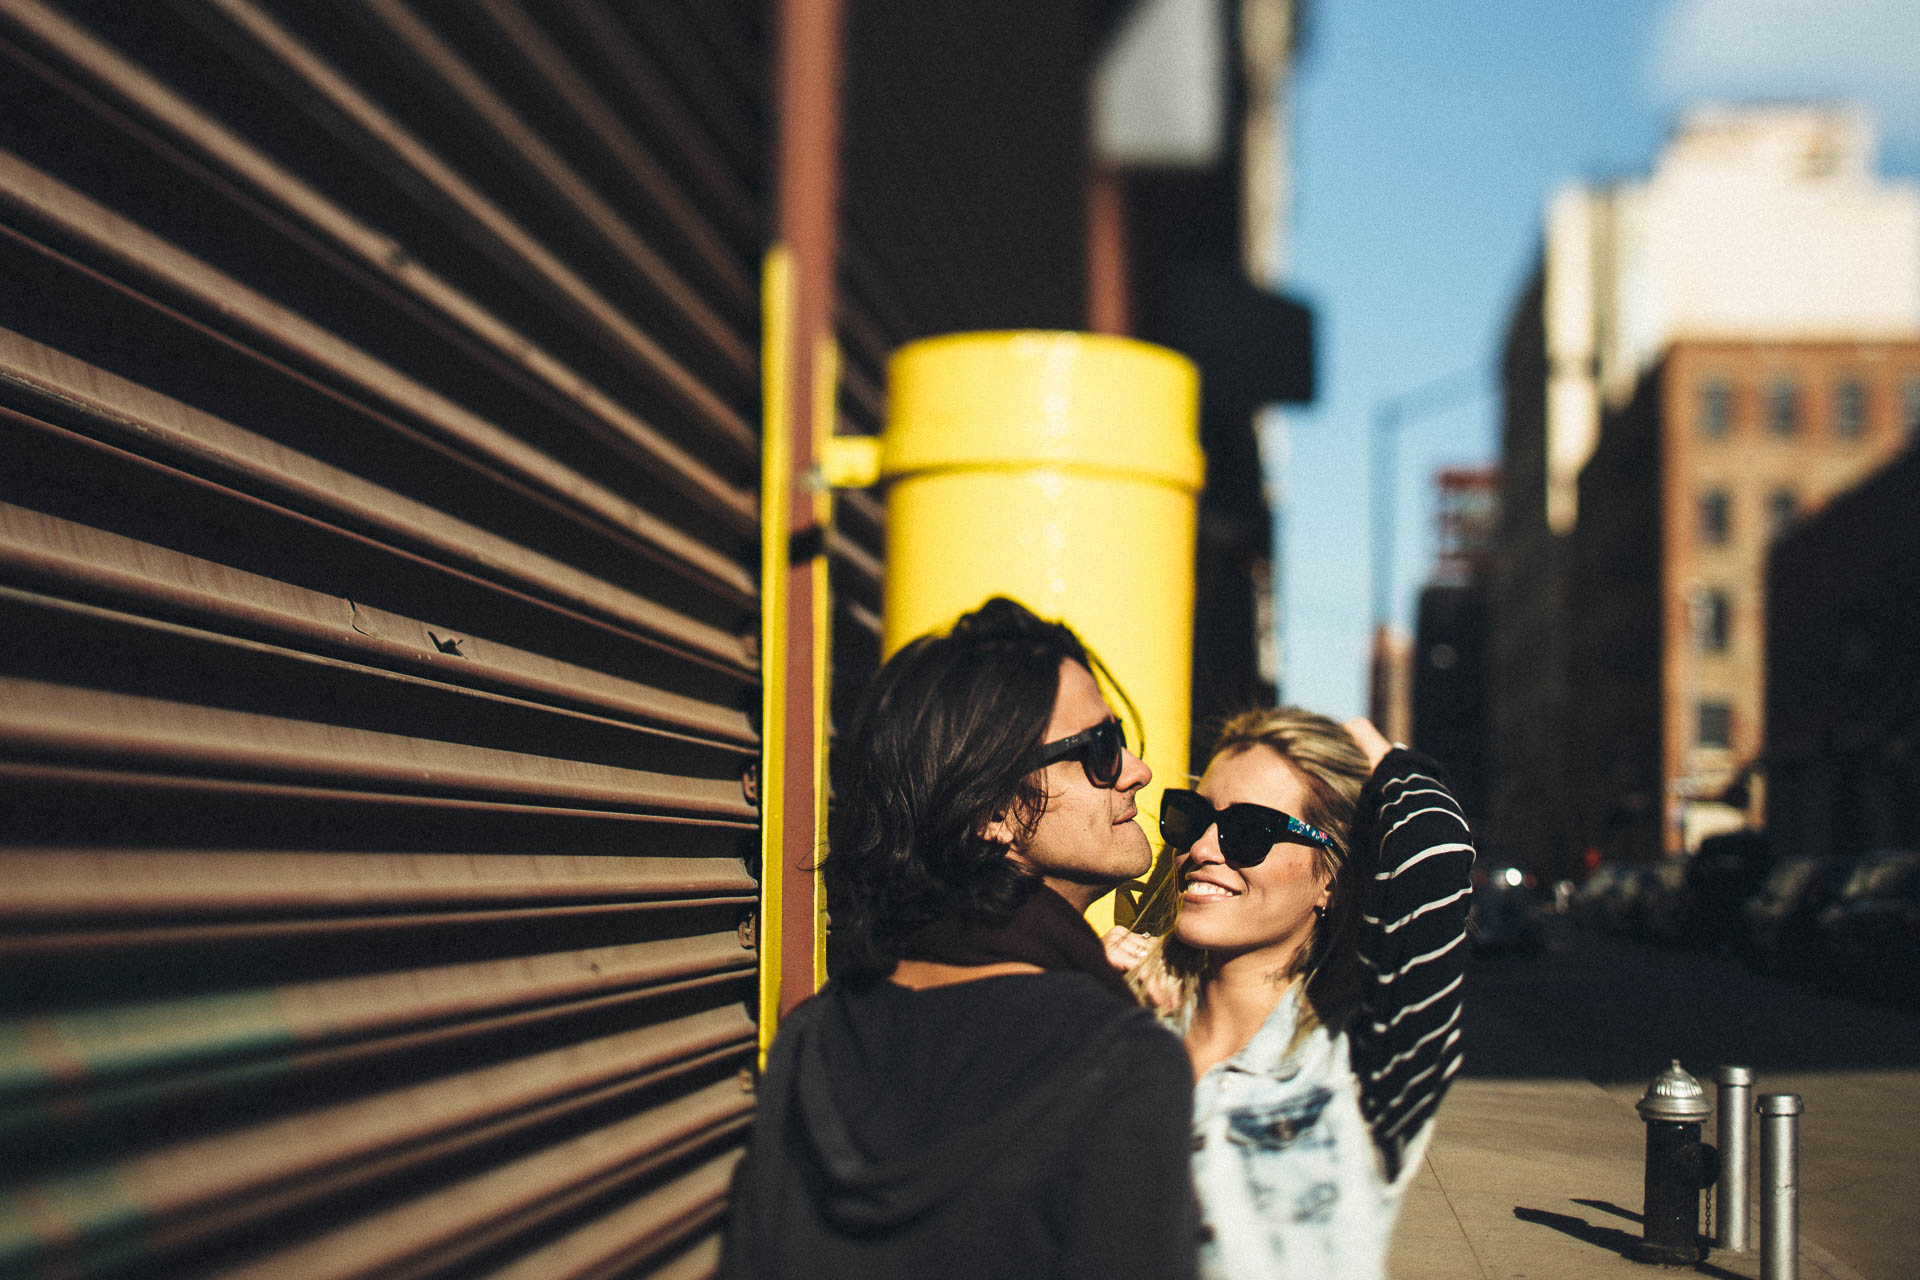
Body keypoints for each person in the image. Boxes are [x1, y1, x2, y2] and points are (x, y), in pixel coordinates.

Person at [722, 597, 1198, 1280]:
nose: (1136, 770)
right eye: (1098, 749)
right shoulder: (1121, 1065)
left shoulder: (813, 1039)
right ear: (993, 811)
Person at [1107, 709, 1474, 1280]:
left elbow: (1435, 852)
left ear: (1330, 876)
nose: (1203, 847)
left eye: (1248, 830)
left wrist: (1385, 759)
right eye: (1193, 817)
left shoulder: (1366, 1066)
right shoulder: (1126, 1020)